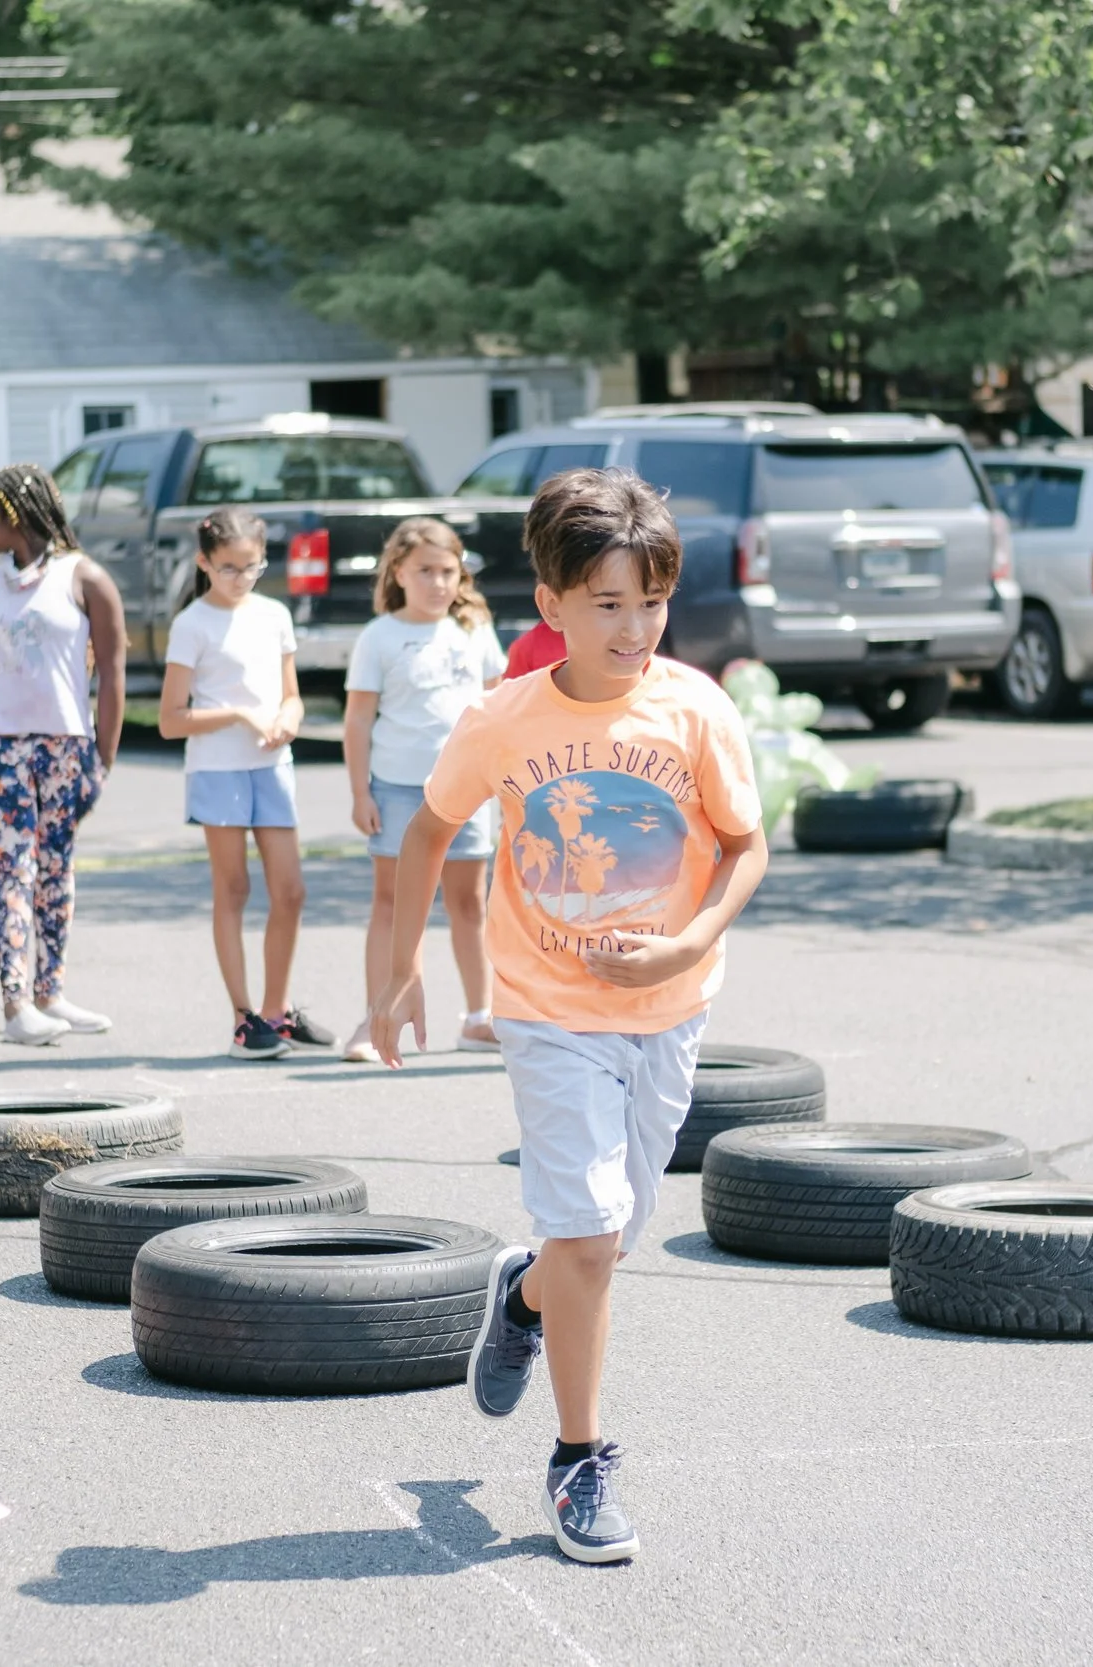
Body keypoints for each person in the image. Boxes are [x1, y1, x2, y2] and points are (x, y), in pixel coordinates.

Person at [371, 468, 768, 1565]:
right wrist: (401, 968)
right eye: (607, 603)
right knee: (591, 1235)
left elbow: (745, 845)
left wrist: (690, 940)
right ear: (550, 604)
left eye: (650, 601)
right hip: (544, 1011)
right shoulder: (504, 719)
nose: (633, 626)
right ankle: (581, 1456)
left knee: (606, 1237)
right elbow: (427, 831)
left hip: (670, 1007)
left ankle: (525, 1291)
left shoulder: (694, 707)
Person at [0, 465, 126, 1046]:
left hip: (65, 747)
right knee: (13, 869)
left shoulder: (85, 579)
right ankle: (16, 1005)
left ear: (15, 518)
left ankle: (51, 993)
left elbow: (114, 671)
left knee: (56, 872)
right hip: (1, 748)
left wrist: (105, 756)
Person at [159, 508, 330, 1060]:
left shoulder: (274, 615)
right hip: (218, 769)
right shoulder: (191, 624)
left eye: (251, 567)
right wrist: (237, 715)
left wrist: (290, 718)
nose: (240, 578)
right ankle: (243, 1019)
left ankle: (276, 1014)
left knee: (292, 890)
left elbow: (292, 695)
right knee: (233, 890)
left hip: (271, 766)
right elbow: (170, 719)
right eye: (229, 567)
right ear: (204, 562)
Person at [341, 516, 505, 1064]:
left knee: (468, 903)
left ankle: (479, 1017)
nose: (438, 582)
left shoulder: (475, 632)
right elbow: (358, 720)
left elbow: (496, 710)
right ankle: (374, 1017)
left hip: (466, 788)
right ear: (399, 574)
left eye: (447, 571)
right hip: (397, 790)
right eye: (425, 571)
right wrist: (360, 792)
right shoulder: (380, 636)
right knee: (390, 902)